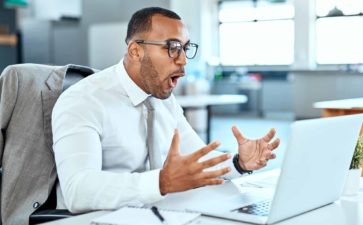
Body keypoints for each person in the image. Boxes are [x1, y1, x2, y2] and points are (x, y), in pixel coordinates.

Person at [52, 6, 280, 213]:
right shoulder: (83, 100)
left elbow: (199, 161)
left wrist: (239, 163)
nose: (183, 60)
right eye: (172, 47)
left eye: (185, 48)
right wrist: (160, 182)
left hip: (159, 211)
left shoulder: (162, 97)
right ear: (135, 51)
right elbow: (77, 191)